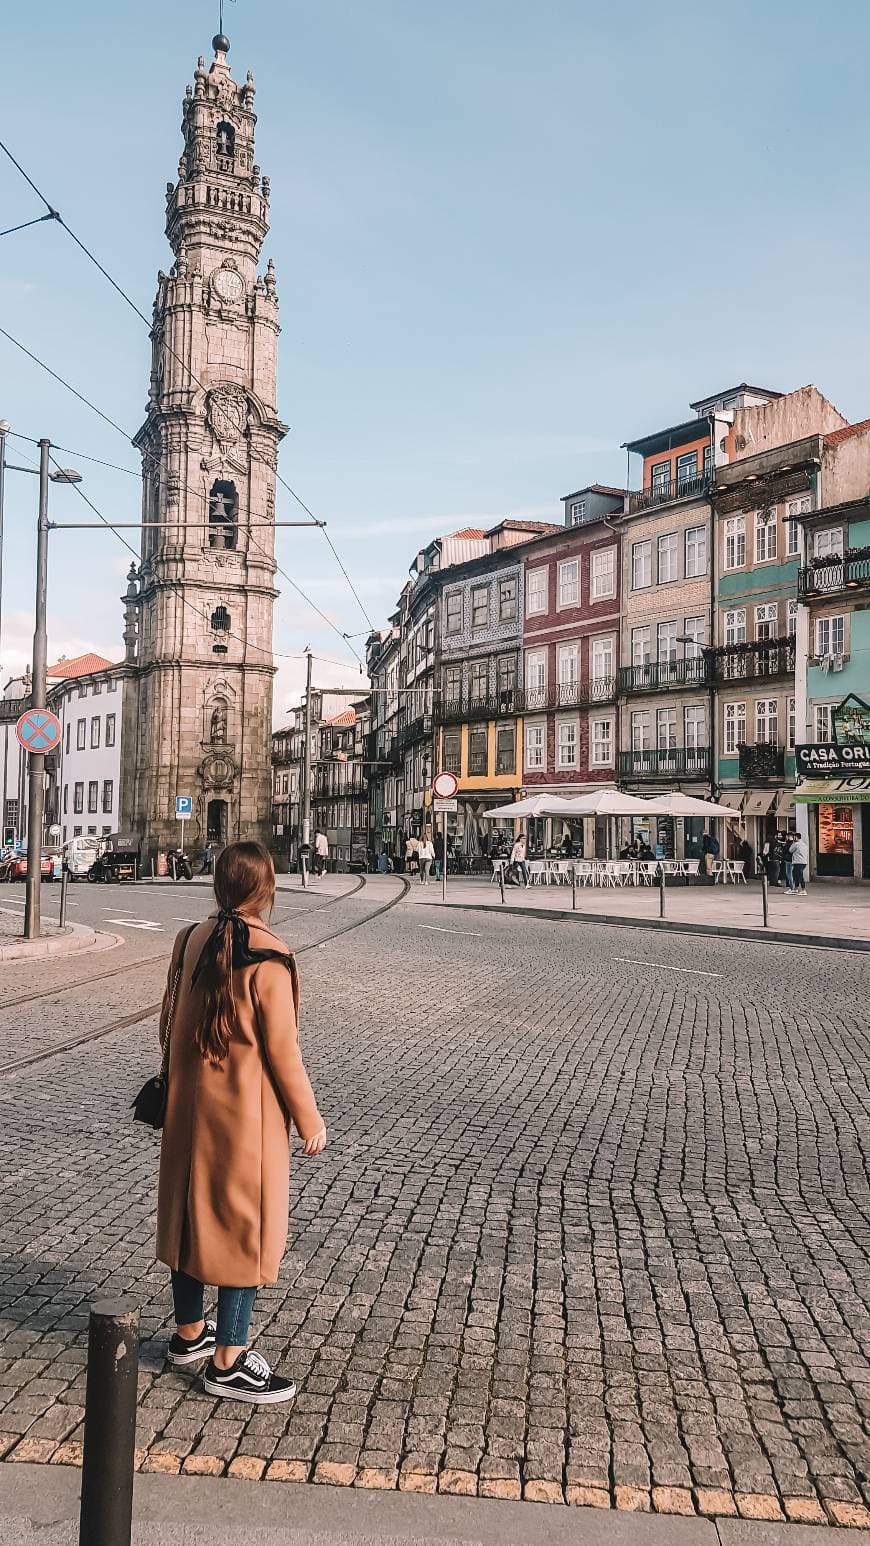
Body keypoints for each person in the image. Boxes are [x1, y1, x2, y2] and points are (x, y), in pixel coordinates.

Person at [156, 841, 326, 1403]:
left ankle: (189, 1334)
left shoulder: (190, 939)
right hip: (244, 1116)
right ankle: (228, 1359)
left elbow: (166, 1022)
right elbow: (283, 1050)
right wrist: (308, 1118)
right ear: (265, 889)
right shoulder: (269, 955)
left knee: (188, 1215)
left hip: (188, 1109)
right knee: (243, 1228)